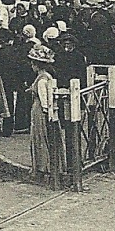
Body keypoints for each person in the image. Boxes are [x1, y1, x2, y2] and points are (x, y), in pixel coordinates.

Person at [28, 45, 63, 183]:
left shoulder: (42, 79)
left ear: (37, 65)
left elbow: (44, 100)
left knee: (40, 138)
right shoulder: (46, 77)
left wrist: (45, 112)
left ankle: (42, 168)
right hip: (42, 109)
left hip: (40, 111)